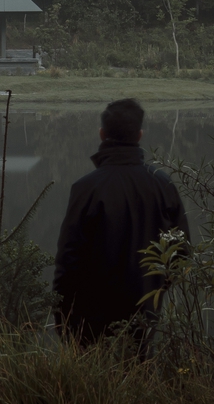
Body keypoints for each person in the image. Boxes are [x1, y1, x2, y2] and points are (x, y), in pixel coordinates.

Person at [52, 96, 189, 346]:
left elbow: (68, 257)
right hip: (145, 309)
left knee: (93, 379)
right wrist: (156, 288)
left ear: (102, 134)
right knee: (137, 374)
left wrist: (62, 315)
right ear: (140, 135)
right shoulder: (162, 184)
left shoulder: (87, 188)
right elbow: (181, 252)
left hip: (90, 314)